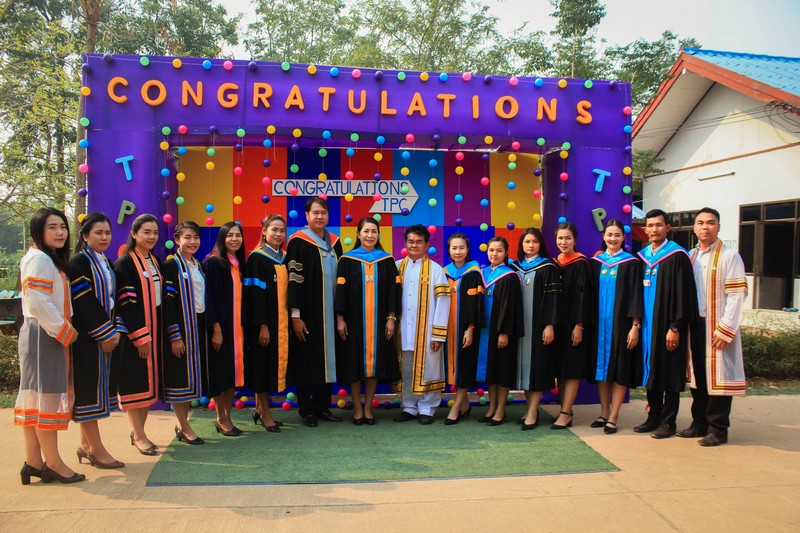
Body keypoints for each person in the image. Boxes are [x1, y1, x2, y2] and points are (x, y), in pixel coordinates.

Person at [15, 207, 84, 484]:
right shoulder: (39, 259)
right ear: (38, 231)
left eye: (63, 227)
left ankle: (33, 460)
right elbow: (38, 301)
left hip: (42, 332)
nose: (60, 232)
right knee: (46, 399)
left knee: (35, 398)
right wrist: (64, 331)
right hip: (45, 333)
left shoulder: (45, 258)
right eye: (52, 227)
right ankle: (53, 463)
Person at [679, 207, 747, 446]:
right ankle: (699, 423)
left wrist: (727, 328)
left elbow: (736, 295)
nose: (705, 227)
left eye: (710, 222)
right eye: (700, 223)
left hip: (717, 326)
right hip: (695, 325)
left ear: (718, 226)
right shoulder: (690, 256)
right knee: (698, 375)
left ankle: (718, 429)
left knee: (719, 379)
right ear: (694, 228)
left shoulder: (730, 256)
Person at [635, 209, 698, 439]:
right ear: (645, 229)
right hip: (647, 326)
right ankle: (653, 416)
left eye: (659, 225)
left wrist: (675, 327)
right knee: (651, 369)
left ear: (667, 228)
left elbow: (683, 294)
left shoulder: (677, 255)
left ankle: (668, 421)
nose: (654, 229)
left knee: (670, 371)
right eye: (650, 225)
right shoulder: (642, 257)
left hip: (668, 326)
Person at [70, 213, 124, 468]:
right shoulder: (79, 263)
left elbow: (113, 299)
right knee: (88, 392)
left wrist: (115, 331)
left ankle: (85, 445)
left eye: (107, 233)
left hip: (105, 335)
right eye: (98, 233)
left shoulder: (106, 262)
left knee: (96, 391)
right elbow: (84, 302)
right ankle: (97, 449)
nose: (104, 237)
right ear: (85, 235)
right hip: (87, 338)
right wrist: (105, 333)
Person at [335, 217, 401, 425]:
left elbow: (393, 292)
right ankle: (357, 407)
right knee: (354, 365)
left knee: (375, 366)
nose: (370, 235)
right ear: (358, 234)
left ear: (379, 234)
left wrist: (391, 318)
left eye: (374, 231)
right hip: (353, 323)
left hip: (380, 322)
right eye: (366, 231)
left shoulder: (387, 261)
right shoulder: (346, 260)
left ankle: (368, 407)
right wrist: (340, 318)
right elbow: (340, 292)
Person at [287, 197, 343, 428]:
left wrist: (341, 314)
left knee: (328, 359)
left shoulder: (335, 242)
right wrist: (295, 315)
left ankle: (322, 406)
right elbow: (293, 279)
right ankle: (306, 409)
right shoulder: (298, 241)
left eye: (323, 213)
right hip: (308, 313)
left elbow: (342, 280)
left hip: (331, 313)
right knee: (307, 359)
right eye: (315, 213)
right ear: (307, 215)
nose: (320, 216)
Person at [114, 213, 163, 455]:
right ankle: (139, 436)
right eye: (146, 232)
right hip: (135, 335)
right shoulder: (125, 263)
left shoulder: (154, 260)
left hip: (154, 331)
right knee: (135, 386)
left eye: (155, 232)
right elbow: (126, 304)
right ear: (134, 234)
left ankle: (139, 433)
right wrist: (140, 336)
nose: (151, 236)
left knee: (146, 388)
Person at [590, 220, 643, 435]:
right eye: (609, 235)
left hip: (621, 326)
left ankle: (614, 416)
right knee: (602, 370)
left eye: (617, 235)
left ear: (623, 238)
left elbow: (636, 296)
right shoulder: (596, 263)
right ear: (604, 236)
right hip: (599, 326)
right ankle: (604, 412)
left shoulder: (631, 263)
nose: (613, 239)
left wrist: (635, 326)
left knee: (619, 368)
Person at [393, 225, 450, 425]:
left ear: (427, 244)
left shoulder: (436, 270)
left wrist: (438, 334)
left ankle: (428, 408)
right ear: (405, 243)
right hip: (402, 329)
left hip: (427, 331)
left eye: (419, 242)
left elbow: (443, 302)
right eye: (411, 241)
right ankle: (409, 407)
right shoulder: (397, 267)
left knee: (429, 369)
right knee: (406, 369)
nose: (414, 245)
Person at [510, 228, 560, 430]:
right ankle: (530, 408)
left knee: (536, 368)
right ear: (521, 244)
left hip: (539, 327)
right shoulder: (514, 267)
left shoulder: (548, 267)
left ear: (541, 244)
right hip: (519, 327)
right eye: (527, 241)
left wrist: (549, 325)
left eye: (534, 241)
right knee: (523, 369)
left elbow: (553, 300)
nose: (530, 245)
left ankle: (532, 411)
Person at [243, 214, 289, 432]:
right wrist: (262, 325)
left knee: (270, 366)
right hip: (264, 325)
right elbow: (254, 296)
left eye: (281, 231)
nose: (278, 234)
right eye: (274, 230)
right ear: (264, 232)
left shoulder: (285, 258)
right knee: (262, 367)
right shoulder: (257, 259)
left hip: (281, 324)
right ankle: (265, 414)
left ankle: (260, 409)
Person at [162, 221, 206, 444]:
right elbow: (168, 303)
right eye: (187, 237)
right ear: (177, 240)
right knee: (180, 379)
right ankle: (183, 425)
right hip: (181, 327)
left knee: (191, 379)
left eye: (195, 237)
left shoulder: (198, 265)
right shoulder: (172, 266)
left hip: (198, 325)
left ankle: (183, 424)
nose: (192, 242)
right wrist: (175, 335)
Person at [203, 221, 246, 436]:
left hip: (237, 330)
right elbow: (211, 298)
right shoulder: (214, 263)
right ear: (222, 238)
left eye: (238, 235)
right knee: (221, 374)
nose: (234, 239)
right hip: (222, 329)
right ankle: (220, 417)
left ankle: (227, 416)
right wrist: (217, 329)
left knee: (232, 375)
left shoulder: (238, 263)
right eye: (230, 235)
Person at [552, 222, 595, 430]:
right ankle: (564, 408)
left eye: (568, 238)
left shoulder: (581, 264)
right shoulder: (554, 264)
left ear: (575, 240)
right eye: (560, 238)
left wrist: (579, 326)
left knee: (570, 368)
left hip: (573, 323)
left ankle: (566, 412)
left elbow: (582, 297)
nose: (563, 242)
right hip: (557, 323)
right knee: (560, 368)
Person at [477, 236, 524, 426]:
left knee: (502, 370)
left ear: (506, 253)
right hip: (485, 331)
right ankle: (492, 406)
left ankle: (501, 409)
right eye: (491, 250)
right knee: (491, 370)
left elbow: (511, 307)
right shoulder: (482, 273)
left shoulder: (510, 276)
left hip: (501, 331)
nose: (494, 254)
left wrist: (504, 332)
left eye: (499, 251)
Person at [443, 233, 483, 425]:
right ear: (449, 251)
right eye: (454, 248)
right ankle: (465, 406)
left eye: (461, 248)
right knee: (452, 369)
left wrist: (470, 329)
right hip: (447, 329)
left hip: (465, 329)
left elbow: (476, 304)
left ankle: (456, 408)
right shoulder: (444, 272)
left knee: (464, 368)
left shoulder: (474, 273)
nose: (457, 251)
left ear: (468, 250)